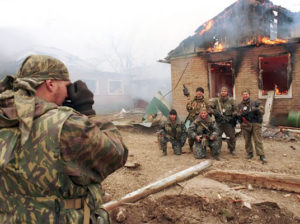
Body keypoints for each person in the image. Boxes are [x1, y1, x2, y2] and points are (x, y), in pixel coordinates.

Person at [0, 55, 128, 223]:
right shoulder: (65, 124)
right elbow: (116, 153)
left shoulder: (5, 115)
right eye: (67, 86)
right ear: (50, 84)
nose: (69, 93)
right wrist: (87, 111)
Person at [237, 89, 267, 163]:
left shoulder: (256, 102)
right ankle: (249, 153)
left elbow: (262, 111)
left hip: (255, 124)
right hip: (245, 124)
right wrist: (239, 116)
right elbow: (237, 113)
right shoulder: (240, 105)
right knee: (247, 140)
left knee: (258, 140)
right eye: (244, 94)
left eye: (246, 94)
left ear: (249, 95)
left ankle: (261, 155)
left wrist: (255, 110)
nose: (245, 95)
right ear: (242, 95)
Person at [210, 87, 237, 155]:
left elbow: (236, 109)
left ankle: (232, 149)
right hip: (219, 121)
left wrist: (233, 115)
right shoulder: (216, 100)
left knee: (231, 136)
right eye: (222, 91)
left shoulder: (231, 100)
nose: (223, 92)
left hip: (228, 121)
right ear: (220, 92)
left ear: (227, 92)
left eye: (225, 91)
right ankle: (217, 149)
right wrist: (214, 112)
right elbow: (209, 108)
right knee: (217, 136)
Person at [186, 87, 212, 152]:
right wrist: (188, 101)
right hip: (193, 120)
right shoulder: (192, 101)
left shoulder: (206, 101)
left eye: (200, 91)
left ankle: (203, 145)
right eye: (198, 91)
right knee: (191, 134)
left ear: (202, 93)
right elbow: (189, 109)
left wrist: (204, 113)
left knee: (202, 133)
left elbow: (210, 110)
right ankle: (191, 146)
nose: (199, 93)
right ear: (196, 92)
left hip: (202, 121)